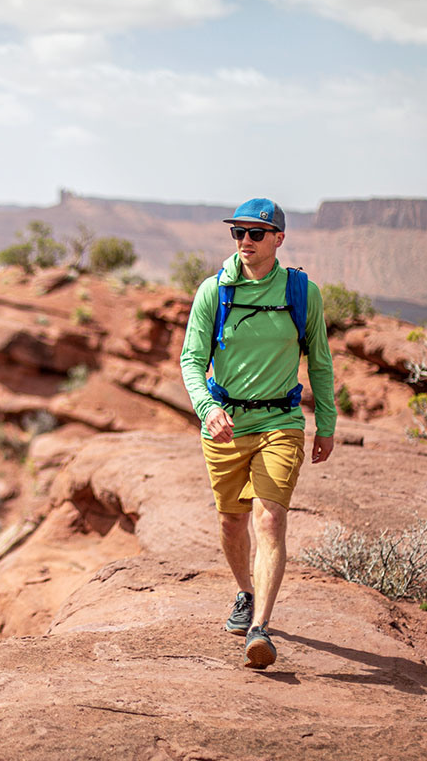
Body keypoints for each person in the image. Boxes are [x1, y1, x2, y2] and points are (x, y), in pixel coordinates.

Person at [179, 197, 335, 669]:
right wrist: (207, 408)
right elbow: (191, 359)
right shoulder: (214, 291)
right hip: (225, 423)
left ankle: (260, 628)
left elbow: (320, 362)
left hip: (280, 422)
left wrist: (325, 423)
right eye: (238, 233)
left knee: (269, 519)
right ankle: (245, 591)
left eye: (255, 233)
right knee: (232, 520)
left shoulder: (302, 292)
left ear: (278, 239)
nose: (245, 241)